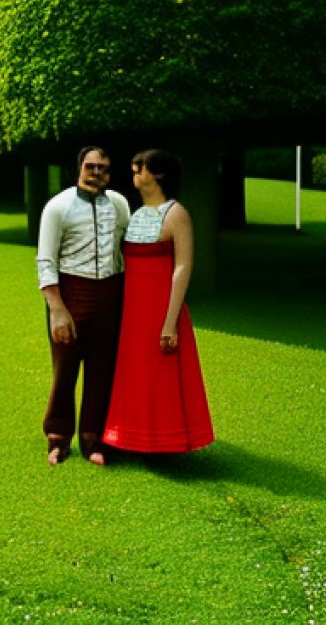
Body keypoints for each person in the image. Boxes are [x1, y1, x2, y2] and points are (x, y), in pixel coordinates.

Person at [102, 149, 214, 453]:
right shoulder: (135, 214)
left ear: (159, 174)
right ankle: (127, 436)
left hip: (160, 306)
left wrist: (170, 320)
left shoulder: (176, 214)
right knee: (133, 372)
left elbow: (183, 267)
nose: (135, 171)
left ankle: (165, 439)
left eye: (141, 167)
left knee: (159, 373)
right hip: (132, 309)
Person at [37, 146, 130, 466]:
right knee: (65, 367)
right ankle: (58, 436)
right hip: (70, 293)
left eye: (103, 168)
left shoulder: (119, 204)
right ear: (79, 168)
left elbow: (125, 248)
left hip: (110, 292)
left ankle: (94, 438)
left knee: (103, 368)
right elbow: (46, 260)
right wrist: (57, 309)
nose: (96, 172)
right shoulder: (58, 207)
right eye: (90, 166)